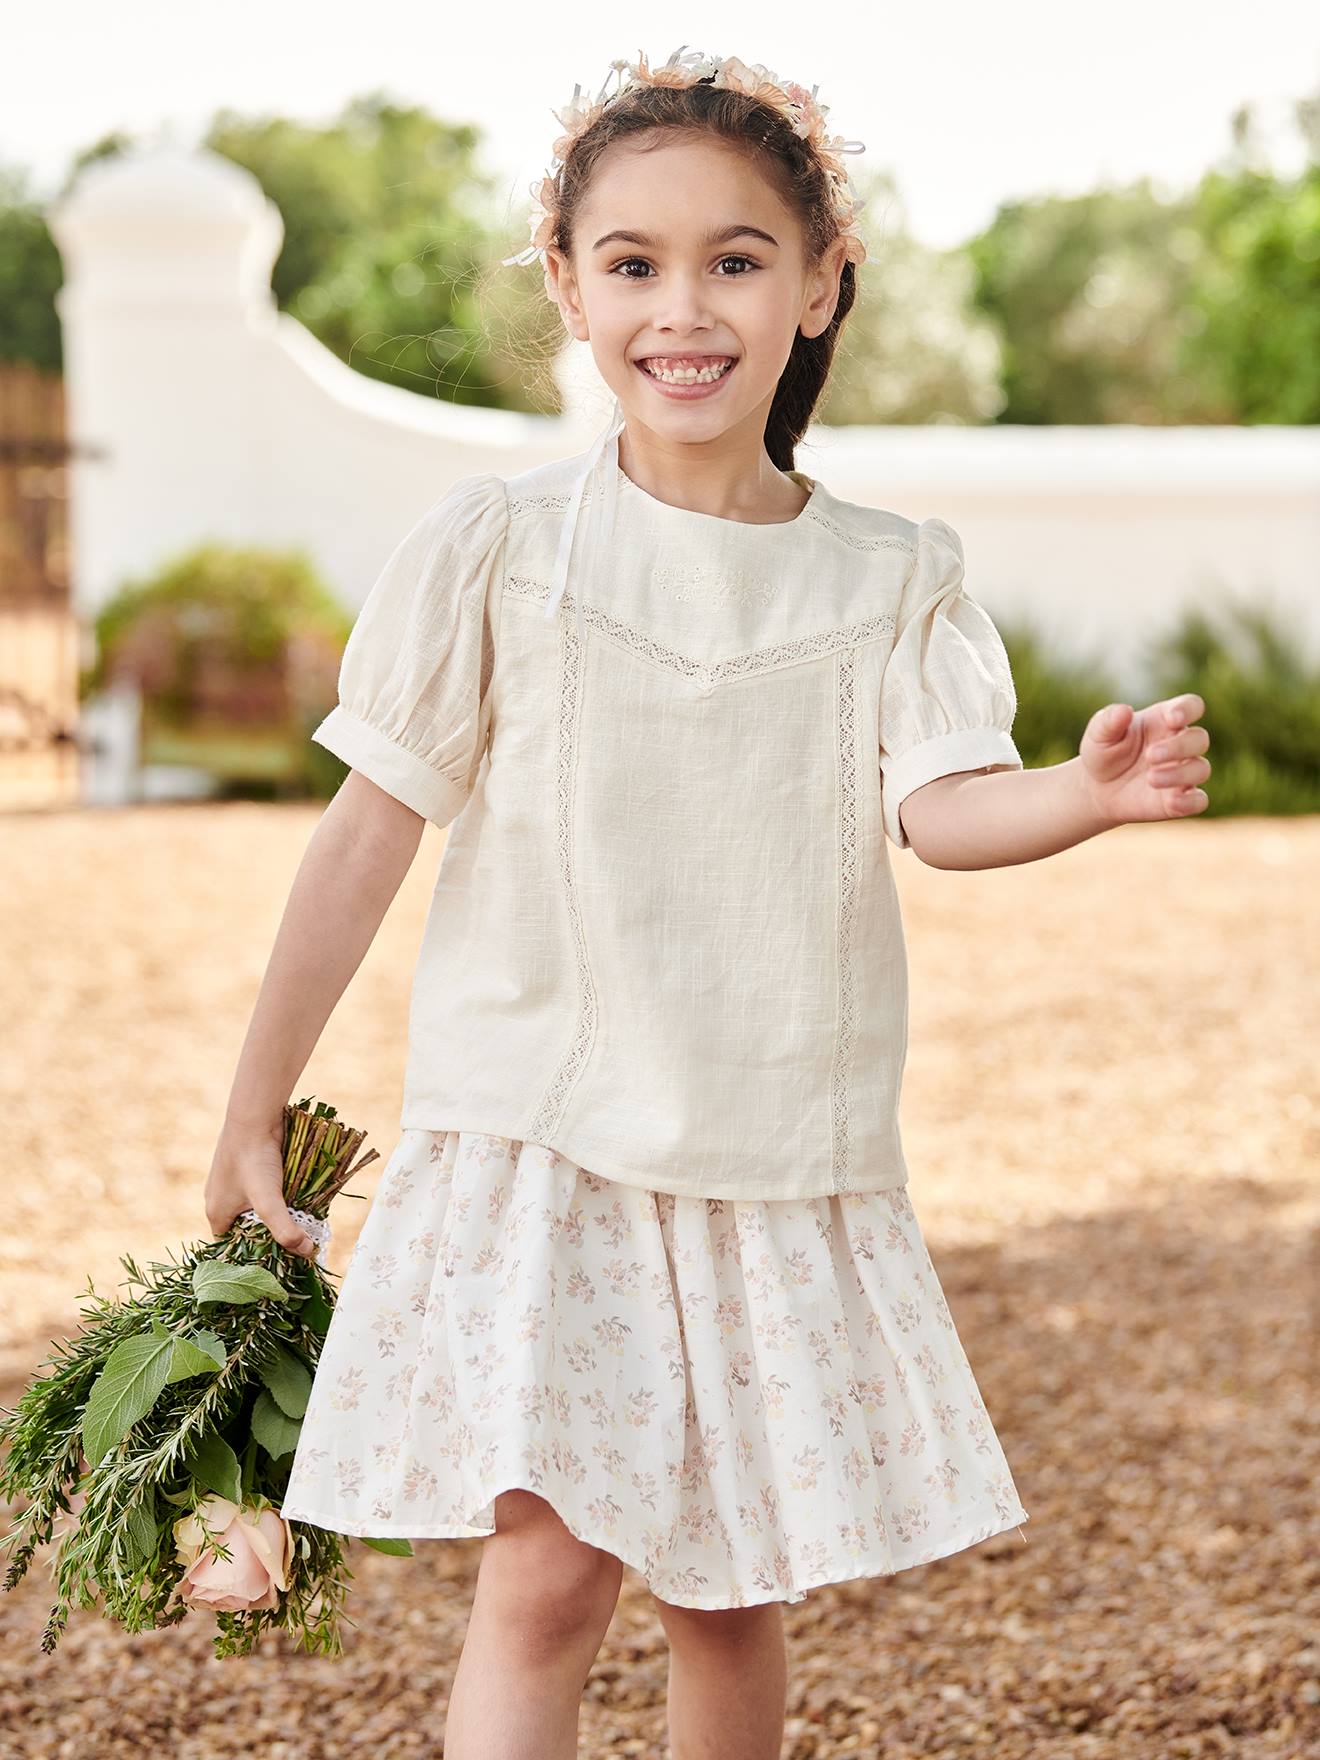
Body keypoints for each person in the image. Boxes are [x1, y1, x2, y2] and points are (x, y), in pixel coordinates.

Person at [205, 45, 1211, 1760]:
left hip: (771, 1158)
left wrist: (1082, 797)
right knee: (546, 1587)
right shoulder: (501, 552)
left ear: (821, 286)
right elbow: (367, 831)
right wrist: (249, 1106)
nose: (687, 307)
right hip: (548, 1146)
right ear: (569, 289)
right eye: (635, 262)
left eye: (738, 259)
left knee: (733, 1596)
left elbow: (943, 804)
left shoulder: (893, 576)